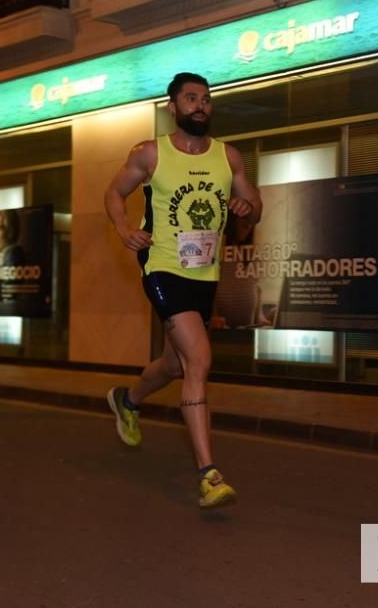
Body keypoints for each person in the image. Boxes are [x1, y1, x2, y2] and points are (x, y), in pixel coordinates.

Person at [104, 72, 262, 508]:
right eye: (191, 99)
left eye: (206, 100)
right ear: (172, 106)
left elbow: (256, 208)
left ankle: (128, 400)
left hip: (206, 273)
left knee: (174, 364)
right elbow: (114, 194)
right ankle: (208, 474)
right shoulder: (150, 153)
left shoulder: (228, 158)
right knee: (199, 359)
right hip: (162, 267)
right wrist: (123, 230)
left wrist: (247, 208)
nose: (200, 106)